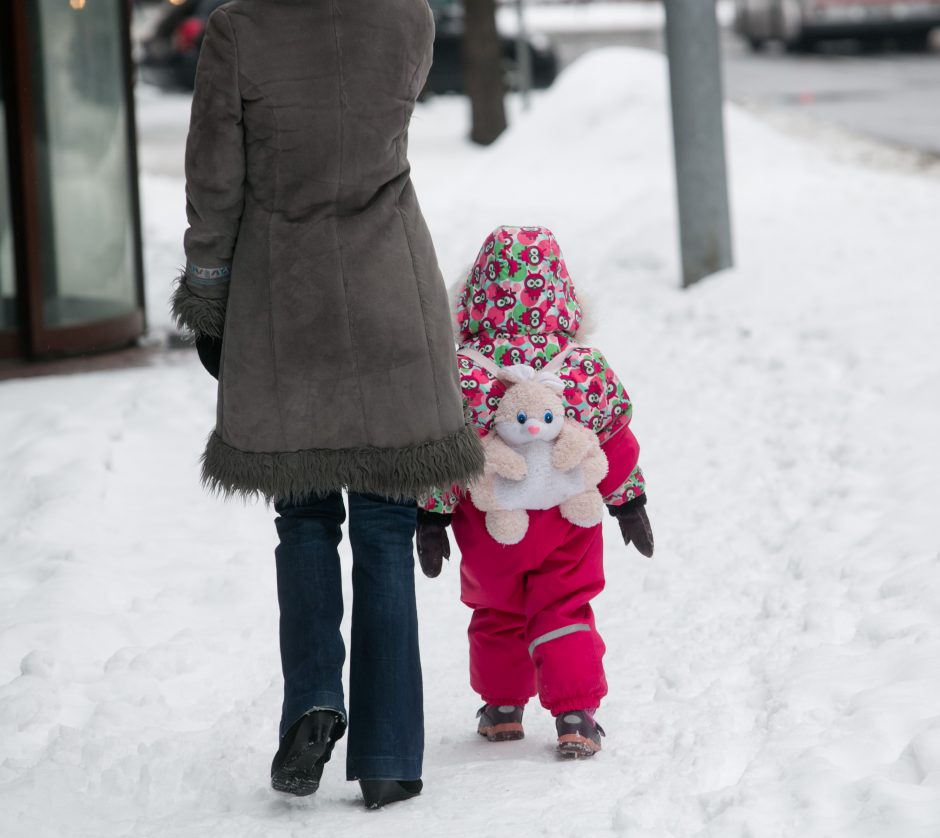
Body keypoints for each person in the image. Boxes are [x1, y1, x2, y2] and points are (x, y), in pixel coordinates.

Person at [171, 0, 483, 809]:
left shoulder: (241, 29)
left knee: (304, 519)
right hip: (391, 287)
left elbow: (214, 180)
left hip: (286, 302)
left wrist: (208, 294)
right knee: (385, 526)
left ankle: (314, 695)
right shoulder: (406, 19)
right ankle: (389, 758)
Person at [415, 225, 654, 757]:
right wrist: (628, 501)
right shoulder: (583, 370)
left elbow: (444, 455)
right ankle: (575, 716)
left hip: (491, 518)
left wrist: (431, 516)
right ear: (564, 294)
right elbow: (616, 443)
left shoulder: (461, 374)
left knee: (497, 609)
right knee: (564, 606)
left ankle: (502, 709)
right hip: (568, 518)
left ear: (474, 295)